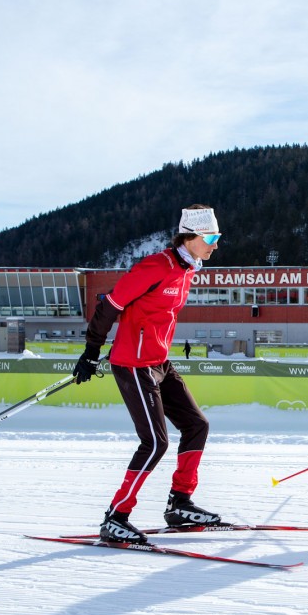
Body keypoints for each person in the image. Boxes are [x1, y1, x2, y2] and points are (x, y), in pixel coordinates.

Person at [72, 204, 224, 543]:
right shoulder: (155, 266)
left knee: (197, 425)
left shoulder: (186, 270)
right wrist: (92, 351)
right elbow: (110, 304)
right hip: (133, 365)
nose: (215, 245)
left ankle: (180, 505)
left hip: (159, 363)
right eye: (211, 237)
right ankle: (116, 517)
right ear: (191, 236)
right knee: (155, 442)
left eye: (217, 237)